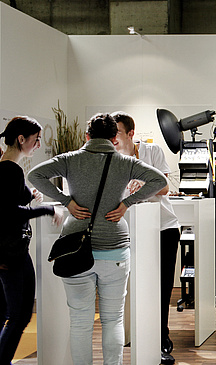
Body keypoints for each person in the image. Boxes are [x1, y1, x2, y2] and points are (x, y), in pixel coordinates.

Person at [28, 113, 167, 365]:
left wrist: (66, 201)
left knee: (80, 320)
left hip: (74, 247)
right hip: (115, 248)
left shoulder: (70, 159)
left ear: (86, 136)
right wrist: (126, 203)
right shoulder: (125, 162)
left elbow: (35, 175)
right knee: (113, 318)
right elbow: (160, 180)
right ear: (115, 138)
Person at [112, 111, 180, 364]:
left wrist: (130, 192)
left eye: (117, 133)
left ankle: (161, 338)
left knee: (161, 288)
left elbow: (163, 187)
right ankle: (135, 337)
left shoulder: (152, 152)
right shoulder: (111, 158)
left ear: (130, 133)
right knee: (128, 288)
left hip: (163, 227)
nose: (113, 139)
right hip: (128, 230)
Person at [0, 116, 63, 365]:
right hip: (11, 252)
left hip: (8, 251)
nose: (38, 146)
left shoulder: (6, 167)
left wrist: (30, 197)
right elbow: (10, 213)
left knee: (6, 312)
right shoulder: (11, 170)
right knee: (19, 315)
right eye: (36, 141)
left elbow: (10, 204)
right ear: (21, 139)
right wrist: (47, 209)